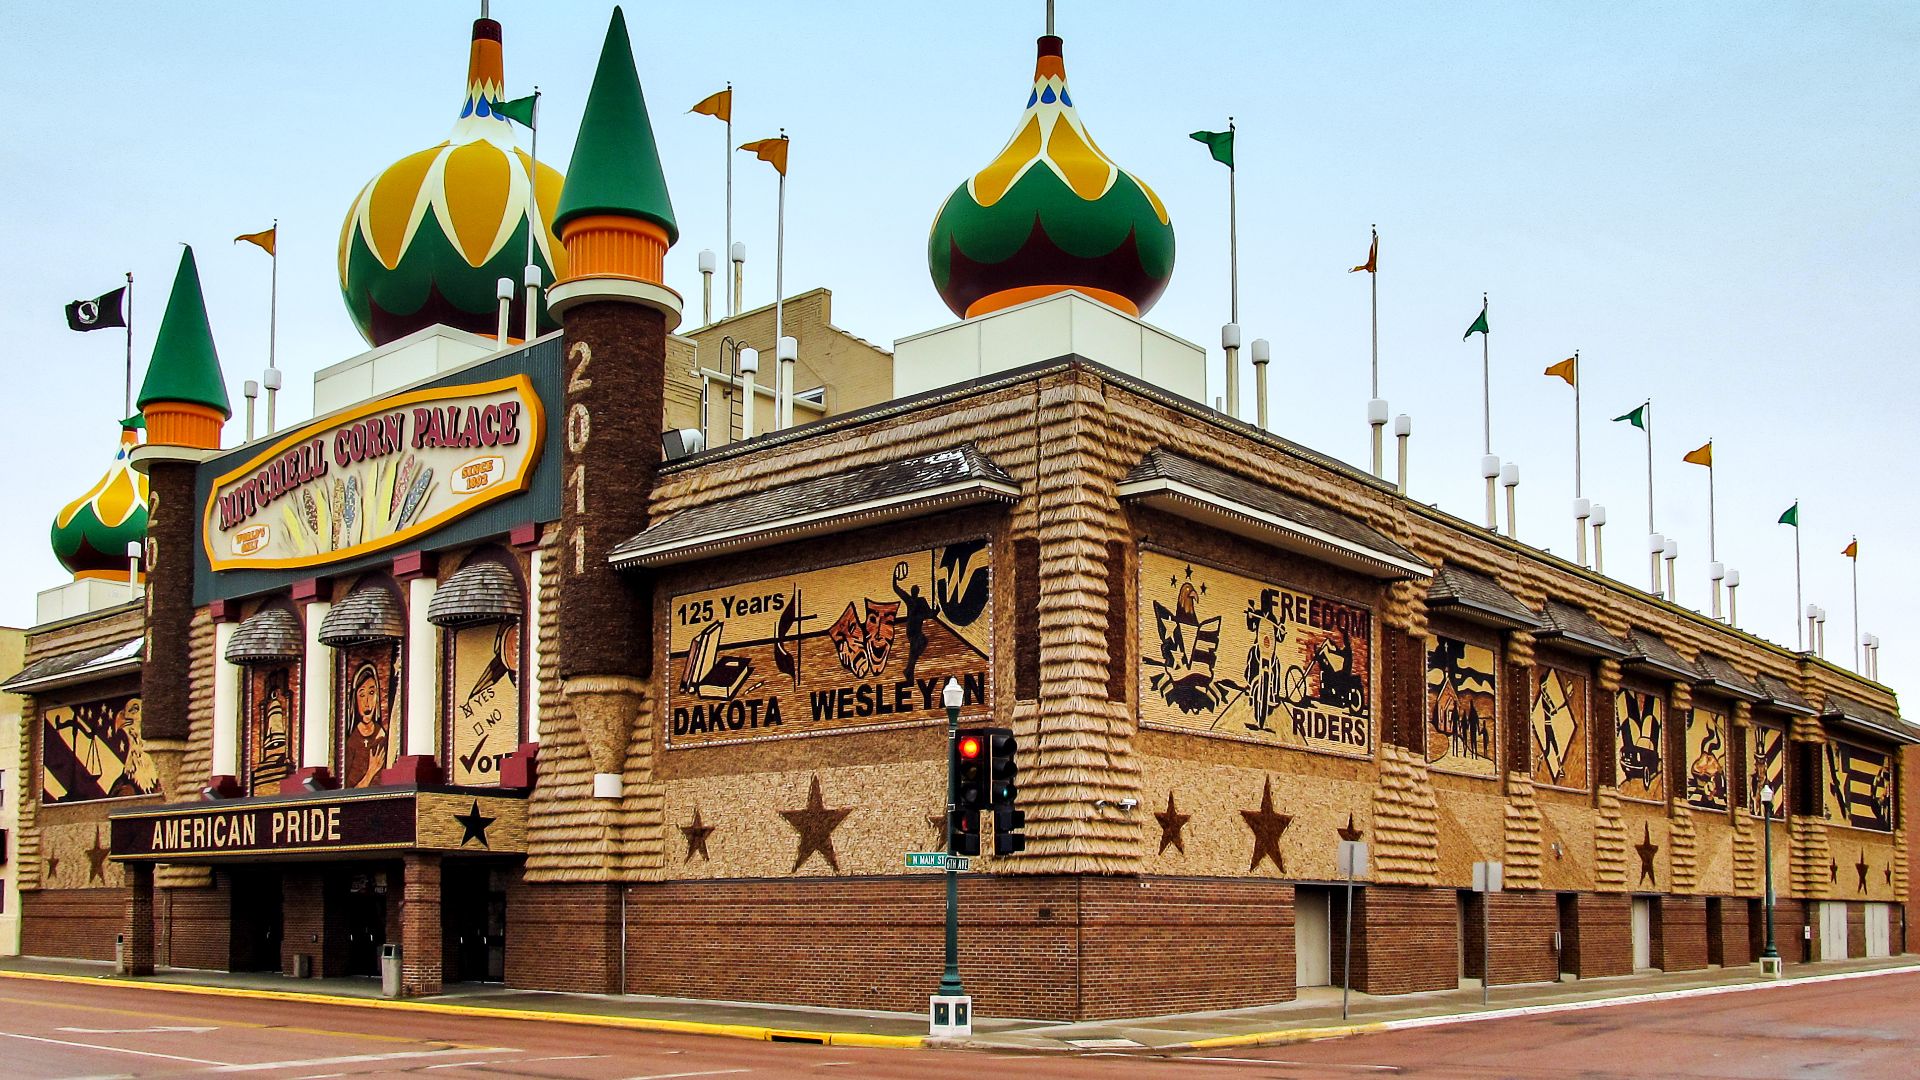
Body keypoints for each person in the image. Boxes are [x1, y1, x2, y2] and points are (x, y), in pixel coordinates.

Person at [344, 662, 390, 788]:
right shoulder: (352, 742)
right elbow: (348, 791)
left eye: (371, 693)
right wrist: (370, 772)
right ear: (355, 699)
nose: (367, 702)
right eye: (362, 694)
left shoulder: (383, 737)